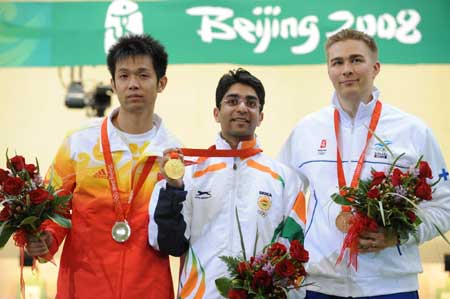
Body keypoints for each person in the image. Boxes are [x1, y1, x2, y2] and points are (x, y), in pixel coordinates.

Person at [278, 29, 450, 298]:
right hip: (321, 286)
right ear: (329, 71)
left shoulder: (413, 131)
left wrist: (400, 236)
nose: (346, 69)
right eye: (337, 62)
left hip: (392, 287)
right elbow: (281, 201)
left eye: (356, 60)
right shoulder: (306, 131)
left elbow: (444, 204)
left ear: (376, 67)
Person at [25, 34, 180, 299]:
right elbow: (54, 206)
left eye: (143, 75)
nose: (133, 84)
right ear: (113, 83)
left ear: (161, 83)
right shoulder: (80, 142)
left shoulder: (173, 155)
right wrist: (47, 237)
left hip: (148, 288)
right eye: (124, 76)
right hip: (83, 285)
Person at [148, 68, 308, 298]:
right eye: (232, 101)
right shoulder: (189, 175)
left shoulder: (285, 180)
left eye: (251, 103)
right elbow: (168, 244)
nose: (242, 108)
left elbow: (293, 255)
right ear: (216, 112)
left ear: (260, 116)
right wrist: (173, 189)